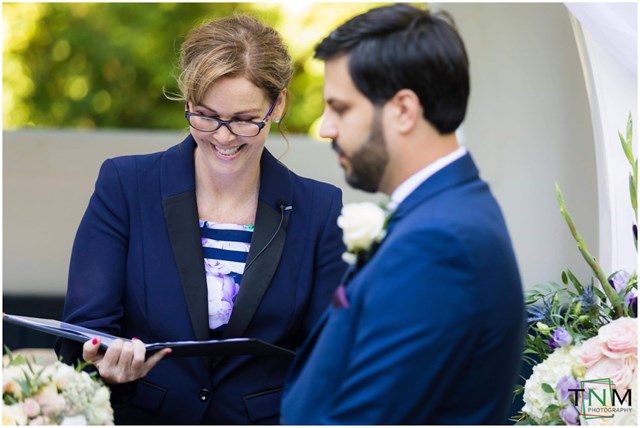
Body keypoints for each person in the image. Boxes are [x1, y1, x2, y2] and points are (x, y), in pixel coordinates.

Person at [55, 14, 346, 425]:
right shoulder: (125, 184)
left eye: (244, 119)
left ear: (277, 104)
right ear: (188, 100)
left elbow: (328, 354)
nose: (223, 137)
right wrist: (105, 361)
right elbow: (83, 329)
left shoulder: (320, 207)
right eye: (206, 116)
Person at [281, 4, 526, 424]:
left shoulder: (437, 243)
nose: (325, 128)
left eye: (340, 108)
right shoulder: (444, 212)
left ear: (404, 110)